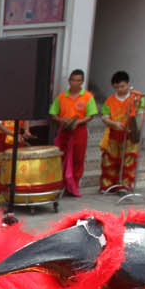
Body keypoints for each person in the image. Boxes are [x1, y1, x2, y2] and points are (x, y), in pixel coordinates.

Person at [49, 69, 99, 198]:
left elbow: (91, 115)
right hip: (64, 131)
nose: (75, 83)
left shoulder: (87, 97)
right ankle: (60, 185)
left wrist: (79, 122)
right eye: (73, 80)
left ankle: (73, 186)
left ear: (82, 82)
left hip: (79, 131)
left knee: (78, 158)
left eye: (78, 80)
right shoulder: (61, 97)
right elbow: (53, 113)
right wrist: (61, 120)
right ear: (69, 81)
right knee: (61, 158)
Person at [98, 70, 145, 193]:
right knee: (110, 160)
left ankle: (125, 186)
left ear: (128, 84)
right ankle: (108, 185)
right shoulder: (109, 100)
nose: (120, 89)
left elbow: (141, 115)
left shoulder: (137, 98)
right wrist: (113, 124)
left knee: (128, 160)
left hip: (130, 135)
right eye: (116, 87)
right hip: (114, 134)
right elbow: (104, 116)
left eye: (122, 86)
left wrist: (134, 127)